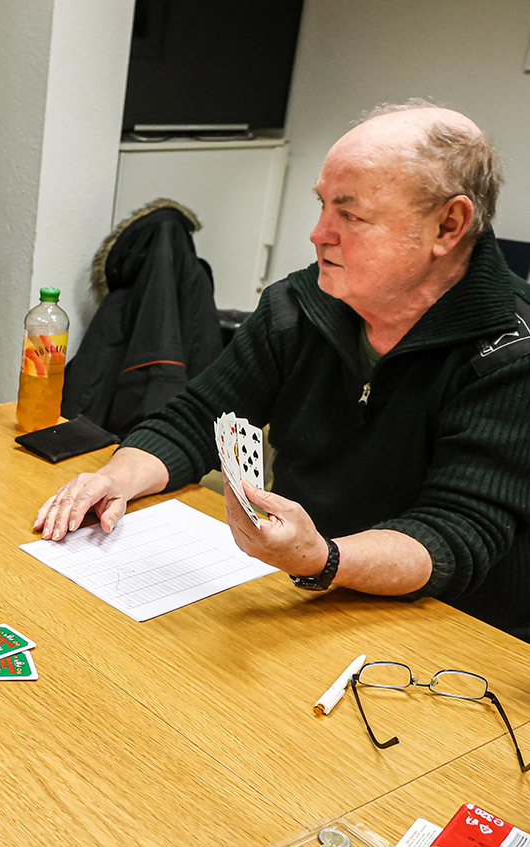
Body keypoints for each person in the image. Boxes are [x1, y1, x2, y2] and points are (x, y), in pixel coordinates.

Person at [35, 102, 530, 642]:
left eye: (352, 215)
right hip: (301, 598)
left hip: (450, 632)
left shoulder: (511, 353)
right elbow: (198, 418)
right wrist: (114, 480)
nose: (319, 234)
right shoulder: (296, 307)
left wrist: (323, 557)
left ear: (448, 226)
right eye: (321, 207)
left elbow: (457, 533)